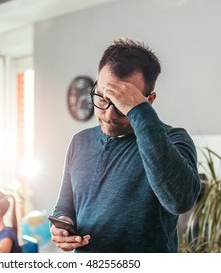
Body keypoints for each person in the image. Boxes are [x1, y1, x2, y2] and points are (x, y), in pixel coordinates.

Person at [50, 38, 201, 253]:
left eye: (122, 104)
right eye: (103, 97)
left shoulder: (175, 140)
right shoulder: (79, 141)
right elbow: (66, 206)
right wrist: (62, 226)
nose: (109, 114)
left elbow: (180, 202)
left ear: (148, 101)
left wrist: (138, 111)